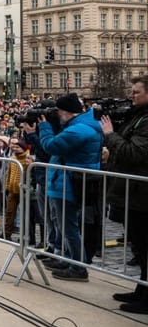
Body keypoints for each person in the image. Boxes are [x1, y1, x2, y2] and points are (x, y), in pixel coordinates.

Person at [37, 93, 102, 282]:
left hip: (69, 182)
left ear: (66, 112)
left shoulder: (80, 129)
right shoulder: (80, 125)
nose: (56, 116)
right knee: (63, 224)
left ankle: (78, 267)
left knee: (69, 226)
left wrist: (44, 127)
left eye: (58, 112)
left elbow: (52, 146)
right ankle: (68, 259)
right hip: (67, 180)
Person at [101, 76, 148, 313]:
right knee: (139, 246)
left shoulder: (146, 120)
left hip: (142, 194)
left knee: (145, 244)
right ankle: (142, 288)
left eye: (136, 92)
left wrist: (110, 134)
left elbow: (133, 152)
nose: (132, 95)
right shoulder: (138, 115)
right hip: (133, 193)